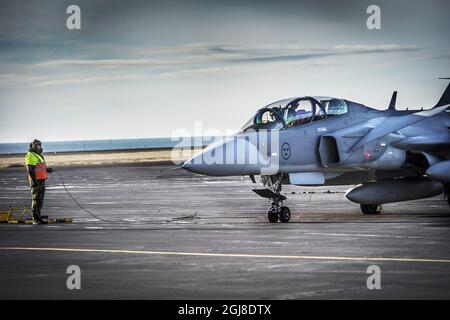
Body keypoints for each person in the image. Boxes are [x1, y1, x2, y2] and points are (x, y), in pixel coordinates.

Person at [24, 139, 53, 224]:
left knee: (40, 199)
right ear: (33, 146)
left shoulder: (38, 155)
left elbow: (38, 167)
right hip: (36, 181)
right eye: (38, 146)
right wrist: (34, 182)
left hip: (41, 180)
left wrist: (47, 169)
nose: (40, 147)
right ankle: (36, 218)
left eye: (40, 145)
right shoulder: (31, 155)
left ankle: (38, 214)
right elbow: (30, 170)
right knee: (36, 198)